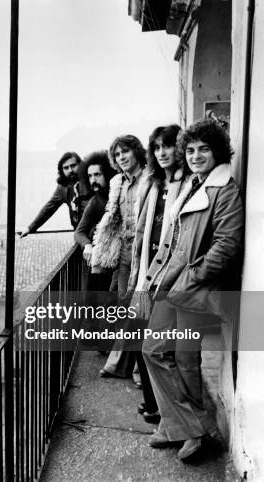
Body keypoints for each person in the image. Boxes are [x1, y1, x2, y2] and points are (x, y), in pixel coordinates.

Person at [142, 119, 243, 462]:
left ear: (217, 151)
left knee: (186, 359)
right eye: (190, 150)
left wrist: (193, 275)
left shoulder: (224, 188)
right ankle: (188, 426)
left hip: (196, 289)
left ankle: (191, 433)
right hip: (173, 284)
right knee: (153, 349)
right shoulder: (193, 185)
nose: (195, 155)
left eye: (203, 149)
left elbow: (227, 243)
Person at [126, 124, 188, 424]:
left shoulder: (187, 183)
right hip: (145, 273)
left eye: (168, 146)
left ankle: (164, 411)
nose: (163, 153)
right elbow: (140, 229)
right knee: (137, 337)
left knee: (159, 348)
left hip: (167, 276)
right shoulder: (153, 182)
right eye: (158, 147)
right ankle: (152, 403)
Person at [91, 135, 147, 379]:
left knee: (142, 308)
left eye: (126, 151)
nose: (122, 157)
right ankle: (120, 365)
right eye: (117, 154)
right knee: (125, 307)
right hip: (125, 250)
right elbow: (113, 218)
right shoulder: (117, 183)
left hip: (145, 251)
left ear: (136, 152)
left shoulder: (150, 178)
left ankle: (137, 369)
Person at [74, 151, 116, 349]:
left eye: (97, 175)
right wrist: (87, 245)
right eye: (90, 176)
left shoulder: (120, 195)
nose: (93, 180)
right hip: (101, 261)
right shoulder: (95, 202)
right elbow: (79, 232)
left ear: (107, 173)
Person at [20, 152, 89, 236]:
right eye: (66, 168)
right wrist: (30, 228)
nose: (70, 170)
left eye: (73, 166)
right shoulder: (63, 188)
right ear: (62, 170)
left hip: (97, 230)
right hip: (80, 234)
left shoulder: (90, 179)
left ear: (80, 165)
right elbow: (49, 208)